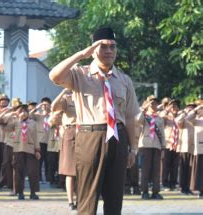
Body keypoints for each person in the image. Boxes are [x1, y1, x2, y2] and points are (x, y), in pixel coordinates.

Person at [49, 27, 140, 215]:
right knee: (88, 197)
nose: (109, 51)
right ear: (93, 50)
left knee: (115, 197)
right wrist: (81, 55)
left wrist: (133, 148)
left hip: (118, 136)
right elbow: (55, 76)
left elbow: (131, 117)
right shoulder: (79, 74)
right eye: (103, 46)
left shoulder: (124, 80)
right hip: (90, 136)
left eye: (112, 47)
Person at [4, 104, 41, 200]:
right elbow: (5, 126)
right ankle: (20, 192)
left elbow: (35, 137)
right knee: (18, 171)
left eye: (26, 112)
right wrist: (13, 114)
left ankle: (33, 192)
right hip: (18, 149)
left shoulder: (32, 123)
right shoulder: (15, 122)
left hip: (30, 149)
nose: (23, 114)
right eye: (21, 112)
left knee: (32, 171)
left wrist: (37, 150)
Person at [51, 88, 77, 210]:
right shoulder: (67, 99)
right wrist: (63, 92)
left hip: (86, 133)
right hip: (71, 132)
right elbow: (54, 106)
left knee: (85, 170)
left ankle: (82, 198)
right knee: (70, 171)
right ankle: (71, 201)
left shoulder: (86, 98)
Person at [137, 95, 165, 200]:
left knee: (156, 170)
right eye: (152, 103)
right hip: (145, 145)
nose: (154, 105)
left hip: (156, 145)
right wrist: (143, 109)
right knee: (145, 170)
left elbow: (162, 132)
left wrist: (163, 147)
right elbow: (137, 120)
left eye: (156, 103)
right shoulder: (144, 116)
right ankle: (144, 192)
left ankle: (155, 192)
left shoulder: (159, 118)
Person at [160, 99, 181, 191]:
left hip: (177, 144)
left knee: (175, 165)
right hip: (168, 143)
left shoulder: (180, 117)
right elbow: (160, 116)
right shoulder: (166, 116)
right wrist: (167, 110)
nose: (174, 108)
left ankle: (173, 183)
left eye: (176, 106)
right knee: (166, 164)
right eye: (172, 106)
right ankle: (165, 183)